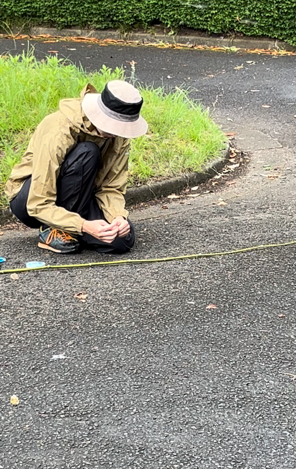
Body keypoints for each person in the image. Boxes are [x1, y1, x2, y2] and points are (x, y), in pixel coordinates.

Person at [5, 80, 148, 254]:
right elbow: (38, 203)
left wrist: (117, 217)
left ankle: (70, 229)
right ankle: (53, 228)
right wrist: (84, 225)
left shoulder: (120, 135)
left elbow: (110, 186)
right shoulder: (59, 129)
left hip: (80, 194)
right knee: (87, 152)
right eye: (114, 126)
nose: (118, 132)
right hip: (30, 199)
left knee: (120, 241)